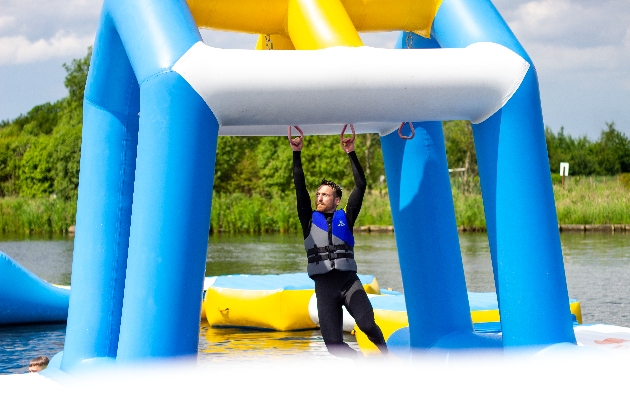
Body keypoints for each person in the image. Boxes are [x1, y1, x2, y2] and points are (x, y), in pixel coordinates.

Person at [290, 131, 388, 358]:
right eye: (318, 194)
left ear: (336, 200)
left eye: (325, 195)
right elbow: (299, 186)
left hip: (348, 282)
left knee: (367, 325)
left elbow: (361, 185)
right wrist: (297, 153)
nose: (320, 198)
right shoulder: (308, 219)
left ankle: (386, 357)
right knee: (334, 346)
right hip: (324, 288)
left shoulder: (347, 216)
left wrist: (351, 152)